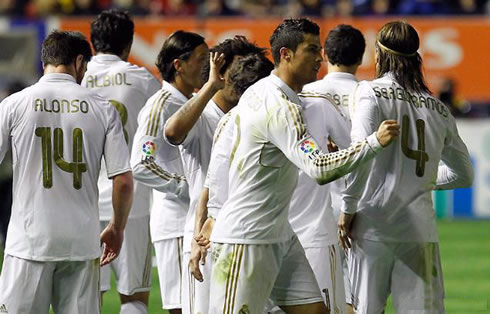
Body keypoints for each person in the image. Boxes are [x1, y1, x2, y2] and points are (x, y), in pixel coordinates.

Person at [199, 18, 399, 314]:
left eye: (320, 49)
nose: (320, 57)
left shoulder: (263, 92)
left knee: (316, 311)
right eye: (311, 49)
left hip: (280, 232)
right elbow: (319, 168)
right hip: (246, 237)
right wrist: (373, 143)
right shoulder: (280, 106)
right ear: (285, 54)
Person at [338, 21, 474, 313]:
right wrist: (421, 179)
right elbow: (464, 175)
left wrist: (347, 209)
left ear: (380, 54)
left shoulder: (369, 93)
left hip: (373, 225)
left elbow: (360, 156)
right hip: (419, 231)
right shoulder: (438, 108)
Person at [0, 30, 133, 313]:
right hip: (81, 243)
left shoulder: (14, 104)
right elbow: (122, 180)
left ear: (45, 60)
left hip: (29, 242)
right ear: (79, 61)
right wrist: (117, 228)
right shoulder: (102, 108)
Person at [164, 35, 271, 314]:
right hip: (204, 241)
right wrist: (211, 86)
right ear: (220, 72)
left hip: (247, 237)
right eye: (235, 70)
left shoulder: (254, 117)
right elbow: (173, 132)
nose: (241, 78)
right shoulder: (202, 114)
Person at [81, 10, 162, 314]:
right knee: (134, 297)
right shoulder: (143, 81)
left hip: (82, 200)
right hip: (132, 203)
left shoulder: (77, 79)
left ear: (92, 42)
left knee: (87, 297)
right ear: (128, 43)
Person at [131, 30, 206, 314]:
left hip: (196, 220)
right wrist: (187, 188)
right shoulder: (160, 105)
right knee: (182, 307)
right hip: (176, 223)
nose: (206, 66)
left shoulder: (194, 102)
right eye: (201, 59)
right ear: (179, 64)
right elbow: (141, 162)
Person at [293, 24, 366, 313]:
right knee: (360, 296)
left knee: (320, 294)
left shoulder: (306, 93)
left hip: (317, 207)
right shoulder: (368, 93)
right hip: (361, 204)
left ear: (324, 54)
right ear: (360, 58)